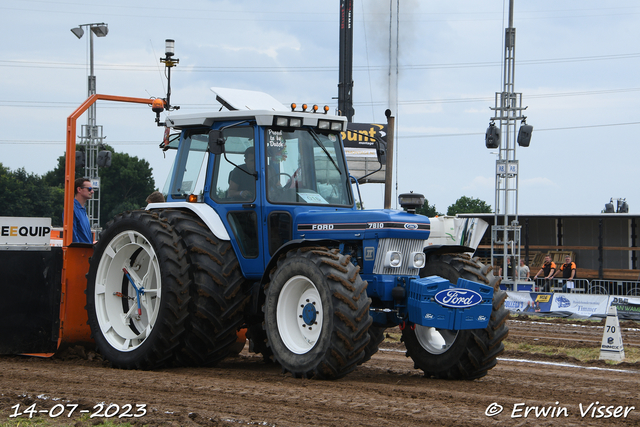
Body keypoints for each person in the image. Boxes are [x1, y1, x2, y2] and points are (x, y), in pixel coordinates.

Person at [73, 177, 93, 244]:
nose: (92, 192)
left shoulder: (83, 209)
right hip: (79, 252)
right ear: (79, 189)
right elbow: (73, 236)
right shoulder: (72, 209)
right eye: (89, 189)